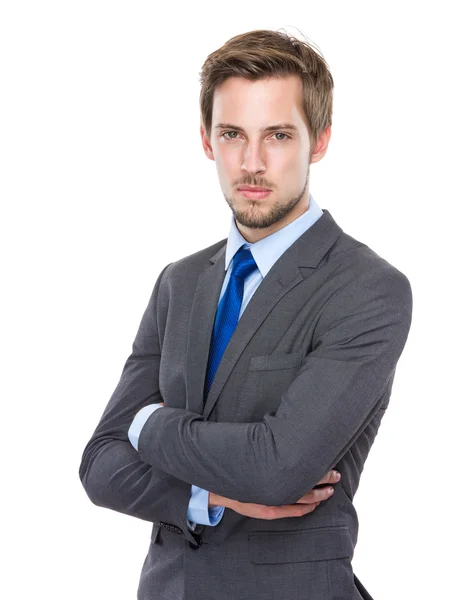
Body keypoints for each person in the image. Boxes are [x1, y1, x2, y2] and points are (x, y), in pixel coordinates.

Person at [79, 28, 412, 600]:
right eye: (233, 134)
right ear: (207, 140)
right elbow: (100, 465)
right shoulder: (180, 281)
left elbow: (277, 470)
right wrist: (208, 496)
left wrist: (148, 425)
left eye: (278, 135)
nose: (252, 162)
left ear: (321, 139)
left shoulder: (368, 290)